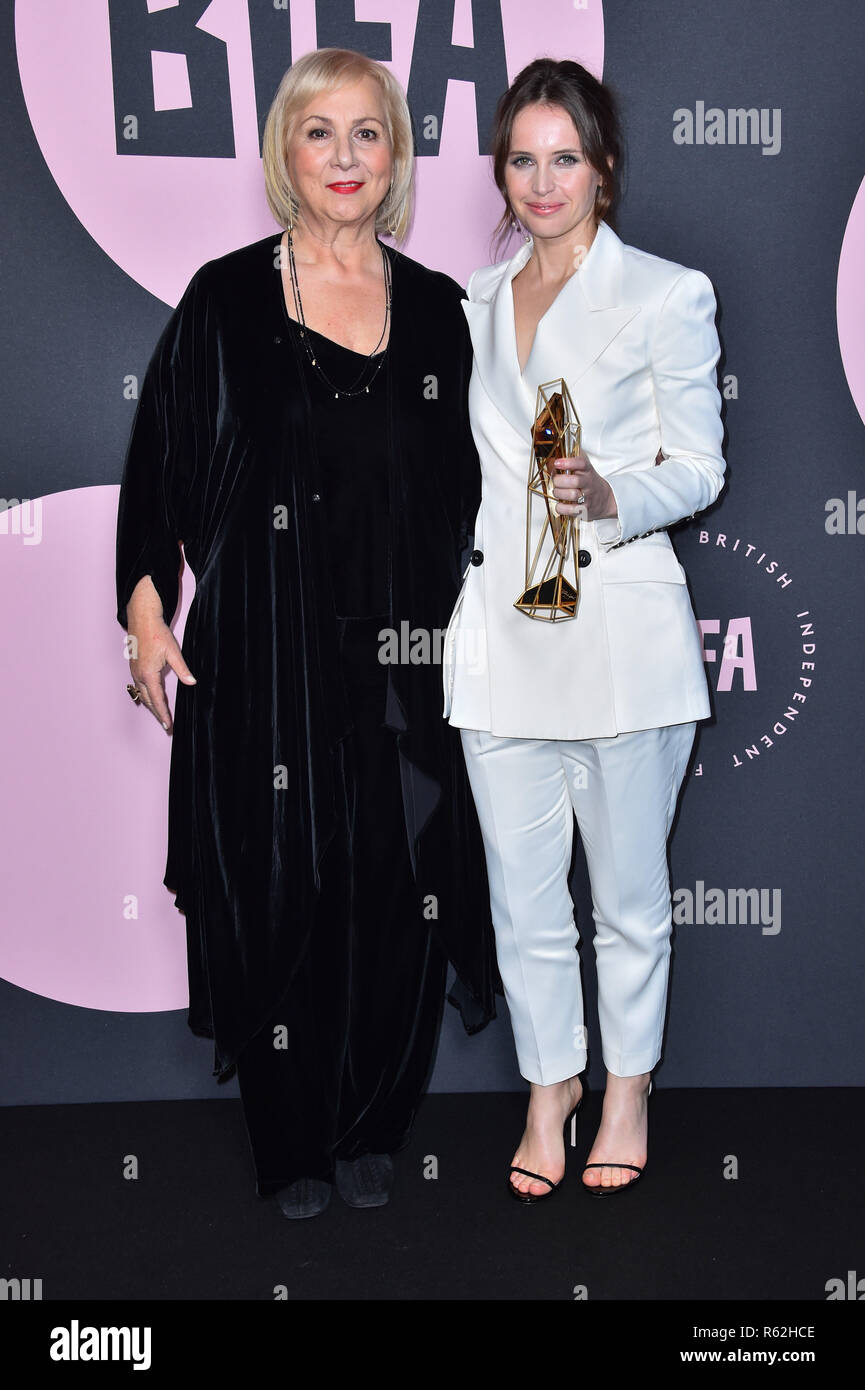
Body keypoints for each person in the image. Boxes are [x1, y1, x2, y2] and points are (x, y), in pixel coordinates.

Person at [116, 47, 498, 1220]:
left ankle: (374, 1118)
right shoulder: (224, 299)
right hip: (265, 656)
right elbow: (159, 470)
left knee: (397, 890)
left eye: (368, 133)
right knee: (281, 889)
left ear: (396, 157)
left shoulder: (440, 311)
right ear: (286, 152)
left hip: (409, 663)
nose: (345, 157)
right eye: (319, 132)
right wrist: (142, 607)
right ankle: (289, 1144)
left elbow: (487, 488)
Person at [443, 58, 725, 1200]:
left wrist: (612, 495)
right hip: (500, 640)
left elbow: (699, 466)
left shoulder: (665, 292)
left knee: (624, 900)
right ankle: (549, 1082)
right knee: (521, 897)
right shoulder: (468, 302)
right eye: (523, 157)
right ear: (501, 172)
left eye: (566, 157)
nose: (543, 179)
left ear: (603, 170)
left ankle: (625, 1086)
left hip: (614, 637)